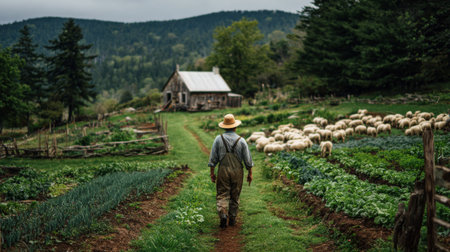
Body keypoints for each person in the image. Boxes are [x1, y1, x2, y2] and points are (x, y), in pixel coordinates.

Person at [208, 114, 253, 228]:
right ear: (235, 127)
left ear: (224, 127)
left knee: (222, 194)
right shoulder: (241, 141)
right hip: (237, 171)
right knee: (235, 194)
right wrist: (250, 173)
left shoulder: (218, 139)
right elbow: (247, 159)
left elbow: (213, 158)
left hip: (223, 169)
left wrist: (212, 173)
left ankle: (223, 214)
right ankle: (232, 218)